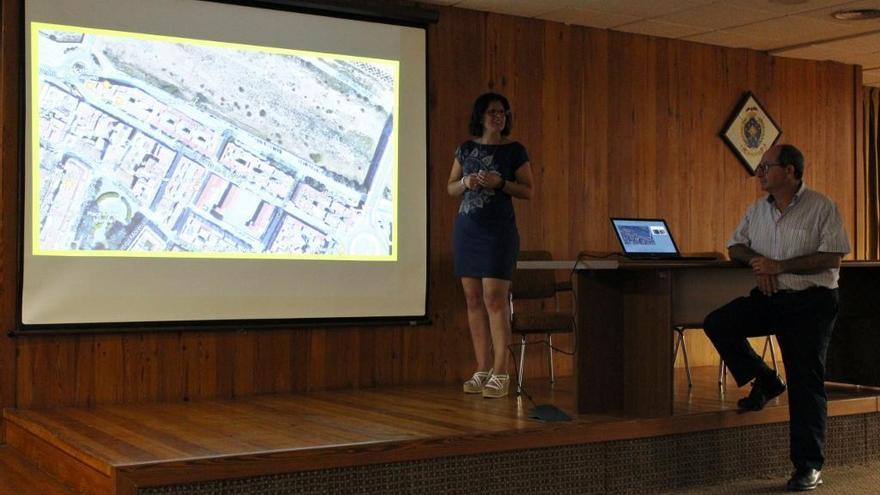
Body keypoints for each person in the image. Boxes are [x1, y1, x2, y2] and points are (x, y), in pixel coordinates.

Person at [703, 144, 850, 491]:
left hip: (812, 302)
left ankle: (808, 466)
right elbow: (735, 246)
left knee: (805, 382)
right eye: (760, 167)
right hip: (771, 297)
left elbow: (832, 257)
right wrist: (758, 262)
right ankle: (767, 381)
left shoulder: (822, 207)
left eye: (766, 167)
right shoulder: (758, 210)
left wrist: (780, 266)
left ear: (790, 171)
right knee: (718, 323)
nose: (760, 173)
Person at [447, 92, 533, 399]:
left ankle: (501, 372)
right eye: (493, 112)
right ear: (480, 116)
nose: (499, 116)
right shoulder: (466, 148)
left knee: (494, 298)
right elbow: (450, 187)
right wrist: (466, 183)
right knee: (472, 300)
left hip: (498, 233)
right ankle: (482, 369)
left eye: (503, 112)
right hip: (467, 230)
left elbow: (528, 190)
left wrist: (500, 183)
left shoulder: (515, 151)